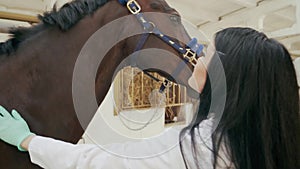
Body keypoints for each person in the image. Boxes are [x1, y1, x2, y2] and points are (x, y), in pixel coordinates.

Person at [0, 27, 299, 169]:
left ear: (226, 75)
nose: (195, 57)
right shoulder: (264, 142)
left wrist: (28, 141)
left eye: (206, 53)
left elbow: (97, 163)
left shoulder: (197, 147)